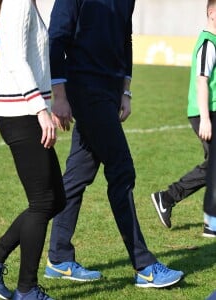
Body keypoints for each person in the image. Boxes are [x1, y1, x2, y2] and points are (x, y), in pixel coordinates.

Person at [43, 0, 184, 288]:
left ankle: (58, 257)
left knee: (78, 174)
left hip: (109, 91)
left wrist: (126, 90)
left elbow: (125, 38)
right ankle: (144, 267)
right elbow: (57, 36)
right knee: (122, 171)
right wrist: (59, 95)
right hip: (84, 89)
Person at [0, 0, 66, 299]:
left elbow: (35, 61)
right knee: (43, 202)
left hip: (28, 112)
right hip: (20, 115)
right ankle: (26, 289)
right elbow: (14, 58)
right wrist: (40, 109)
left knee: (56, 199)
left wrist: (51, 106)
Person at [151, 0, 216, 238]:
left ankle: (167, 198)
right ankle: (172, 199)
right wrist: (206, 119)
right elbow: (202, 81)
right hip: (205, 112)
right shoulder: (208, 43)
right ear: (211, 13)